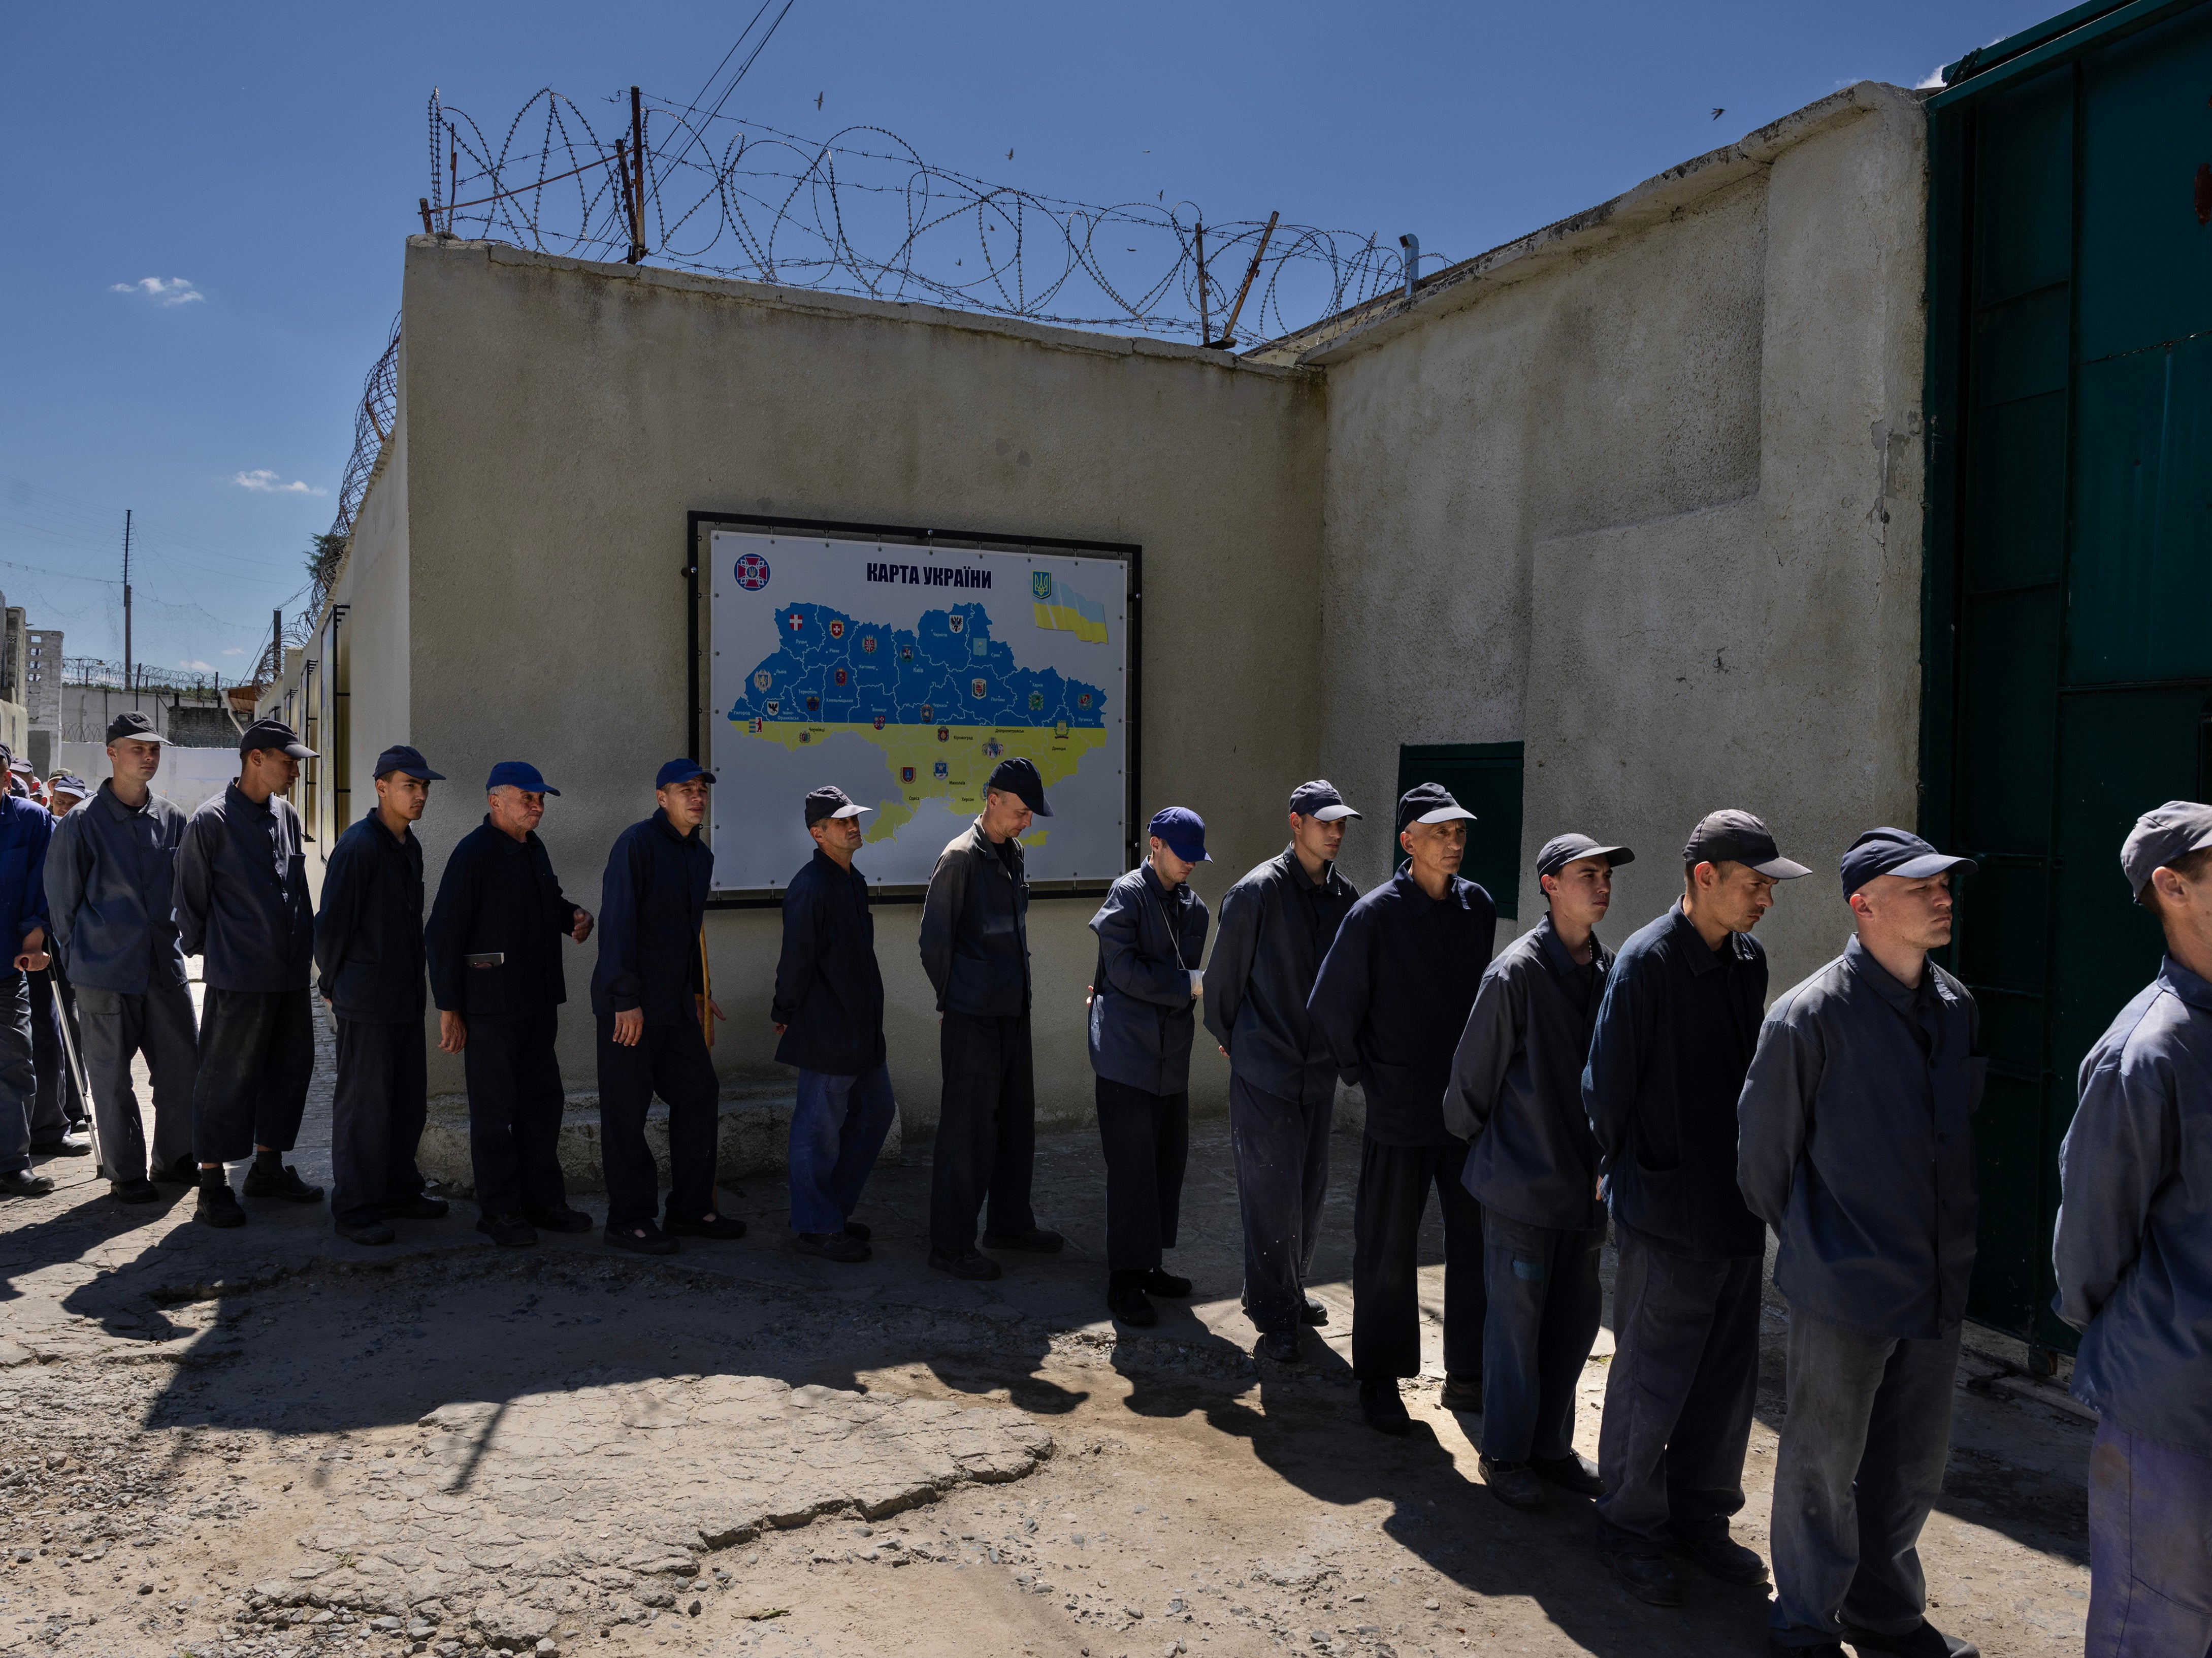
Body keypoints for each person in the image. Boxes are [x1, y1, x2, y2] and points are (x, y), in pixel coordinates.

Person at [1739, 829, 1981, 1658]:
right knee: (1821, 1466)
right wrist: (1825, 1246)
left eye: (1945, 884)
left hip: (1936, 1282)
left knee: (1911, 1466)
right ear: (1864, 903)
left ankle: (1884, 1614)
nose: (1942, 895)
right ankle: (1804, 1623)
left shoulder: (1955, 1006)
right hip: (1843, 1287)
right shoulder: (1809, 1018)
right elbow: (1761, 1166)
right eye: (1921, 886)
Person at [1582, 808, 1807, 1605]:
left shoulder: (1749, 962)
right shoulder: (1645, 965)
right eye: (1754, 886)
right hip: (1667, 1210)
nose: (1764, 902)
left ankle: (1700, 1517)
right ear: (1704, 876)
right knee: (1653, 1374)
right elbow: (1604, 1089)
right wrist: (1638, 1168)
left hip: (1734, 1208)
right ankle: (1629, 1523)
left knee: (1724, 1377)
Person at [2054, 800, 2212, 1658]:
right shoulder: (2147, 1052)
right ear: (2172, 886)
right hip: (2172, 1408)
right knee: (2154, 1630)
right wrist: (2152, 1341)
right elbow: (2089, 1248)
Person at [1444, 832, 1633, 1511]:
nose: (1602, 885)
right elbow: (1469, 1085)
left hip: (1585, 1195)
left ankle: (1550, 1447)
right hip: (1522, 1188)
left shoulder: (1609, 971)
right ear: (1550, 884)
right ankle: (1505, 1452)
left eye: (1606, 875)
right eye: (1588, 874)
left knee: (1572, 1324)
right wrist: (1502, 1156)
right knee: (1516, 1327)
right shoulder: (1516, 973)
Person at [1310, 782, 1498, 1434]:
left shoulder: (1477, 907)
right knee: (1387, 1249)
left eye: (1460, 833)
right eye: (1440, 833)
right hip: (1399, 1109)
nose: (1454, 844)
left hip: (1465, 1110)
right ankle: (1381, 1380)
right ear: (1407, 841)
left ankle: (1469, 1373)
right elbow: (1331, 1008)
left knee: (1474, 1243)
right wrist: (1368, 1077)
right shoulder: (1375, 914)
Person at [1204, 781, 1362, 1364]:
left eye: (1342, 823)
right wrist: (1234, 1041)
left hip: (1315, 1071)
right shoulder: (1256, 893)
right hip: (1266, 1068)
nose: (1336, 832)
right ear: (1296, 823)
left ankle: (1286, 1292)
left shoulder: (1344, 896)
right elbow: (1222, 983)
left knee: (1309, 1190)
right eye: (1325, 822)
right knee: (1271, 1194)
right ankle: (1275, 1316)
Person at [426, 761, 596, 1249]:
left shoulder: (534, 847)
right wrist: (450, 1007)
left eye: (541, 799)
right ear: (494, 801)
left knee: (543, 1105)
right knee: (495, 1111)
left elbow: (545, 901)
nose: (538, 807)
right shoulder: (473, 854)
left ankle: (544, 1202)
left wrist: (573, 917)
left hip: (538, 1003)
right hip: (492, 1008)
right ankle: (499, 1210)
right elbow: (442, 934)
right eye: (528, 798)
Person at [918, 756, 1064, 1280]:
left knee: (1014, 1124)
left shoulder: (1013, 853)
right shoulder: (959, 858)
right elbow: (933, 943)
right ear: (993, 799)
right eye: (1021, 811)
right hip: (973, 1015)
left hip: (1011, 1011)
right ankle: (951, 1243)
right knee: (968, 1130)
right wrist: (955, 1000)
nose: (1026, 822)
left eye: (1031, 815)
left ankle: (1008, 1224)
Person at [43, 715, 199, 1202]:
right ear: (112, 753)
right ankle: (126, 1172)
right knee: (111, 1078)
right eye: (138, 748)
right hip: (103, 972)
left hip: (163, 968)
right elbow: (62, 904)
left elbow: (185, 890)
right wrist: (82, 958)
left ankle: (175, 1160)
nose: (149, 756)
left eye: (154, 749)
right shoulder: (81, 823)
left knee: (182, 1069)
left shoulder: (173, 818)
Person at [175, 717, 323, 1226]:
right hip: (238, 977)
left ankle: (267, 1168)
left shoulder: (286, 814)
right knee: (224, 1079)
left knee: (289, 1069)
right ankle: (213, 1184)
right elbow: (189, 902)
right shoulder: (211, 821)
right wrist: (219, 953)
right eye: (289, 762)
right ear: (255, 759)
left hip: (288, 975)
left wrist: (312, 955)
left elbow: (299, 891)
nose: (295, 772)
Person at [592, 758, 741, 1255]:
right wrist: (624, 1000)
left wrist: (699, 992)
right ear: (662, 797)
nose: (696, 797)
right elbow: (618, 926)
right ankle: (629, 1220)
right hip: (629, 1010)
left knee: (699, 1092)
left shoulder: (700, 857)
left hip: (675, 1009)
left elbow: (686, 936)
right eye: (685, 790)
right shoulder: (637, 844)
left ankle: (691, 1208)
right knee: (626, 1115)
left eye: (701, 789)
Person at [314, 745, 447, 1245]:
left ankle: (397, 1190)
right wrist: (331, 985)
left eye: (424, 787)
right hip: (365, 1001)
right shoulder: (359, 846)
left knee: (406, 1103)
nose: (419, 795)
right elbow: (331, 927)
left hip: (404, 997)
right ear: (381, 788)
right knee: (363, 1108)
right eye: (409, 786)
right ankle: (354, 1208)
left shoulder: (408, 846)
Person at [1087, 806, 1212, 1327]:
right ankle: (1124, 1280)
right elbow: (1122, 972)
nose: (1189, 865)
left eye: (1195, 857)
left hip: (1170, 1059)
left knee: (1166, 1165)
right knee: (1132, 1170)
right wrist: (1184, 985)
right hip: (1126, 1057)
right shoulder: (1127, 895)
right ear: (1154, 844)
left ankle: (1151, 1263)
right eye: (1181, 854)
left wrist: (1186, 986)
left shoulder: (1195, 908)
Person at [771, 785, 894, 1263]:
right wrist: (785, 1012)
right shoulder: (810, 887)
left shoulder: (852, 880)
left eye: (854, 818)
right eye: (841, 821)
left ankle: (830, 1213)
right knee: (817, 1129)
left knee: (877, 1112)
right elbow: (795, 962)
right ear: (817, 833)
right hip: (827, 1031)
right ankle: (815, 1226)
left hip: (862, 1030)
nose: (852, 826)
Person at [0, 750, 53, 1199]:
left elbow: (42, 882)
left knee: (14, 1060)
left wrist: (34, 939)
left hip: (5, 964)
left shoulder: (32, 820)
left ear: (6, 777)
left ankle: (12, 1162)